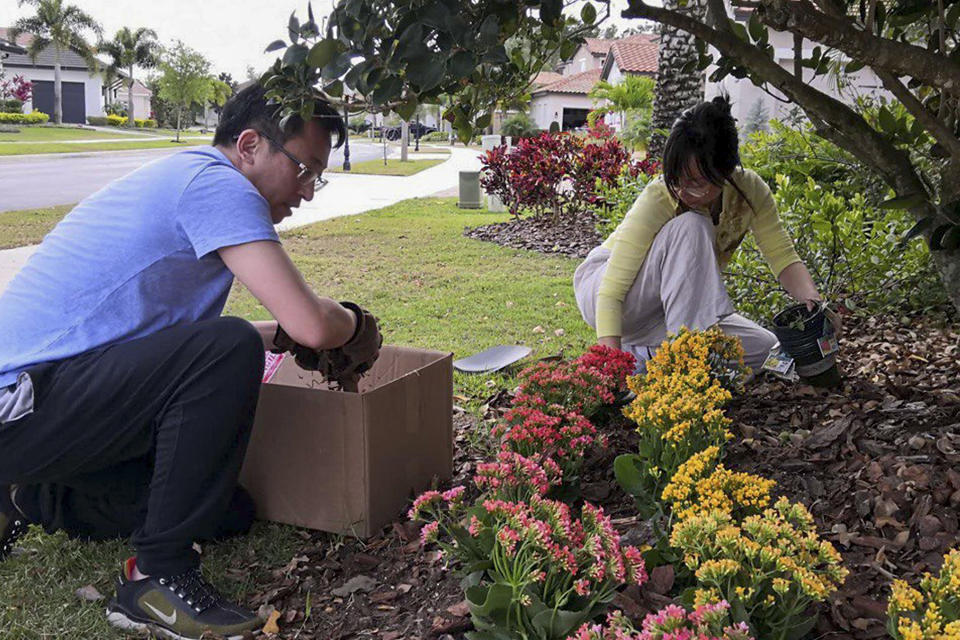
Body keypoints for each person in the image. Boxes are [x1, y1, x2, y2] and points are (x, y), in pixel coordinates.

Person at [0, 84, 381, 639]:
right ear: (249, 144)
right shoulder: (216, 184)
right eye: (303, 169)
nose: (308, 192)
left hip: (53, 406)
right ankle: (159, 578)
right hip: (19, 402)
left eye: (316, 177)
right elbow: (310, 324)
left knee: (229, 512)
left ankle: (28, 496)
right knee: (228, 347)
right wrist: (356, 323)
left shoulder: (191, 179)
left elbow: (177, 343)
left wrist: (279, 335)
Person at [574, 95, 841, 374]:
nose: (681, 191)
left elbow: (782, 257)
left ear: (725, 171)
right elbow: (610, 294)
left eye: (696, 183)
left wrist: (815, 303)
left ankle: (650, 354)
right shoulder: (659, 197)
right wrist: (611, 368)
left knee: (767, 350)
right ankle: (681, 366)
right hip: (610, 294)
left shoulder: (750, 192)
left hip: (664, 315)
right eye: (675, 178)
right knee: (692, 225)